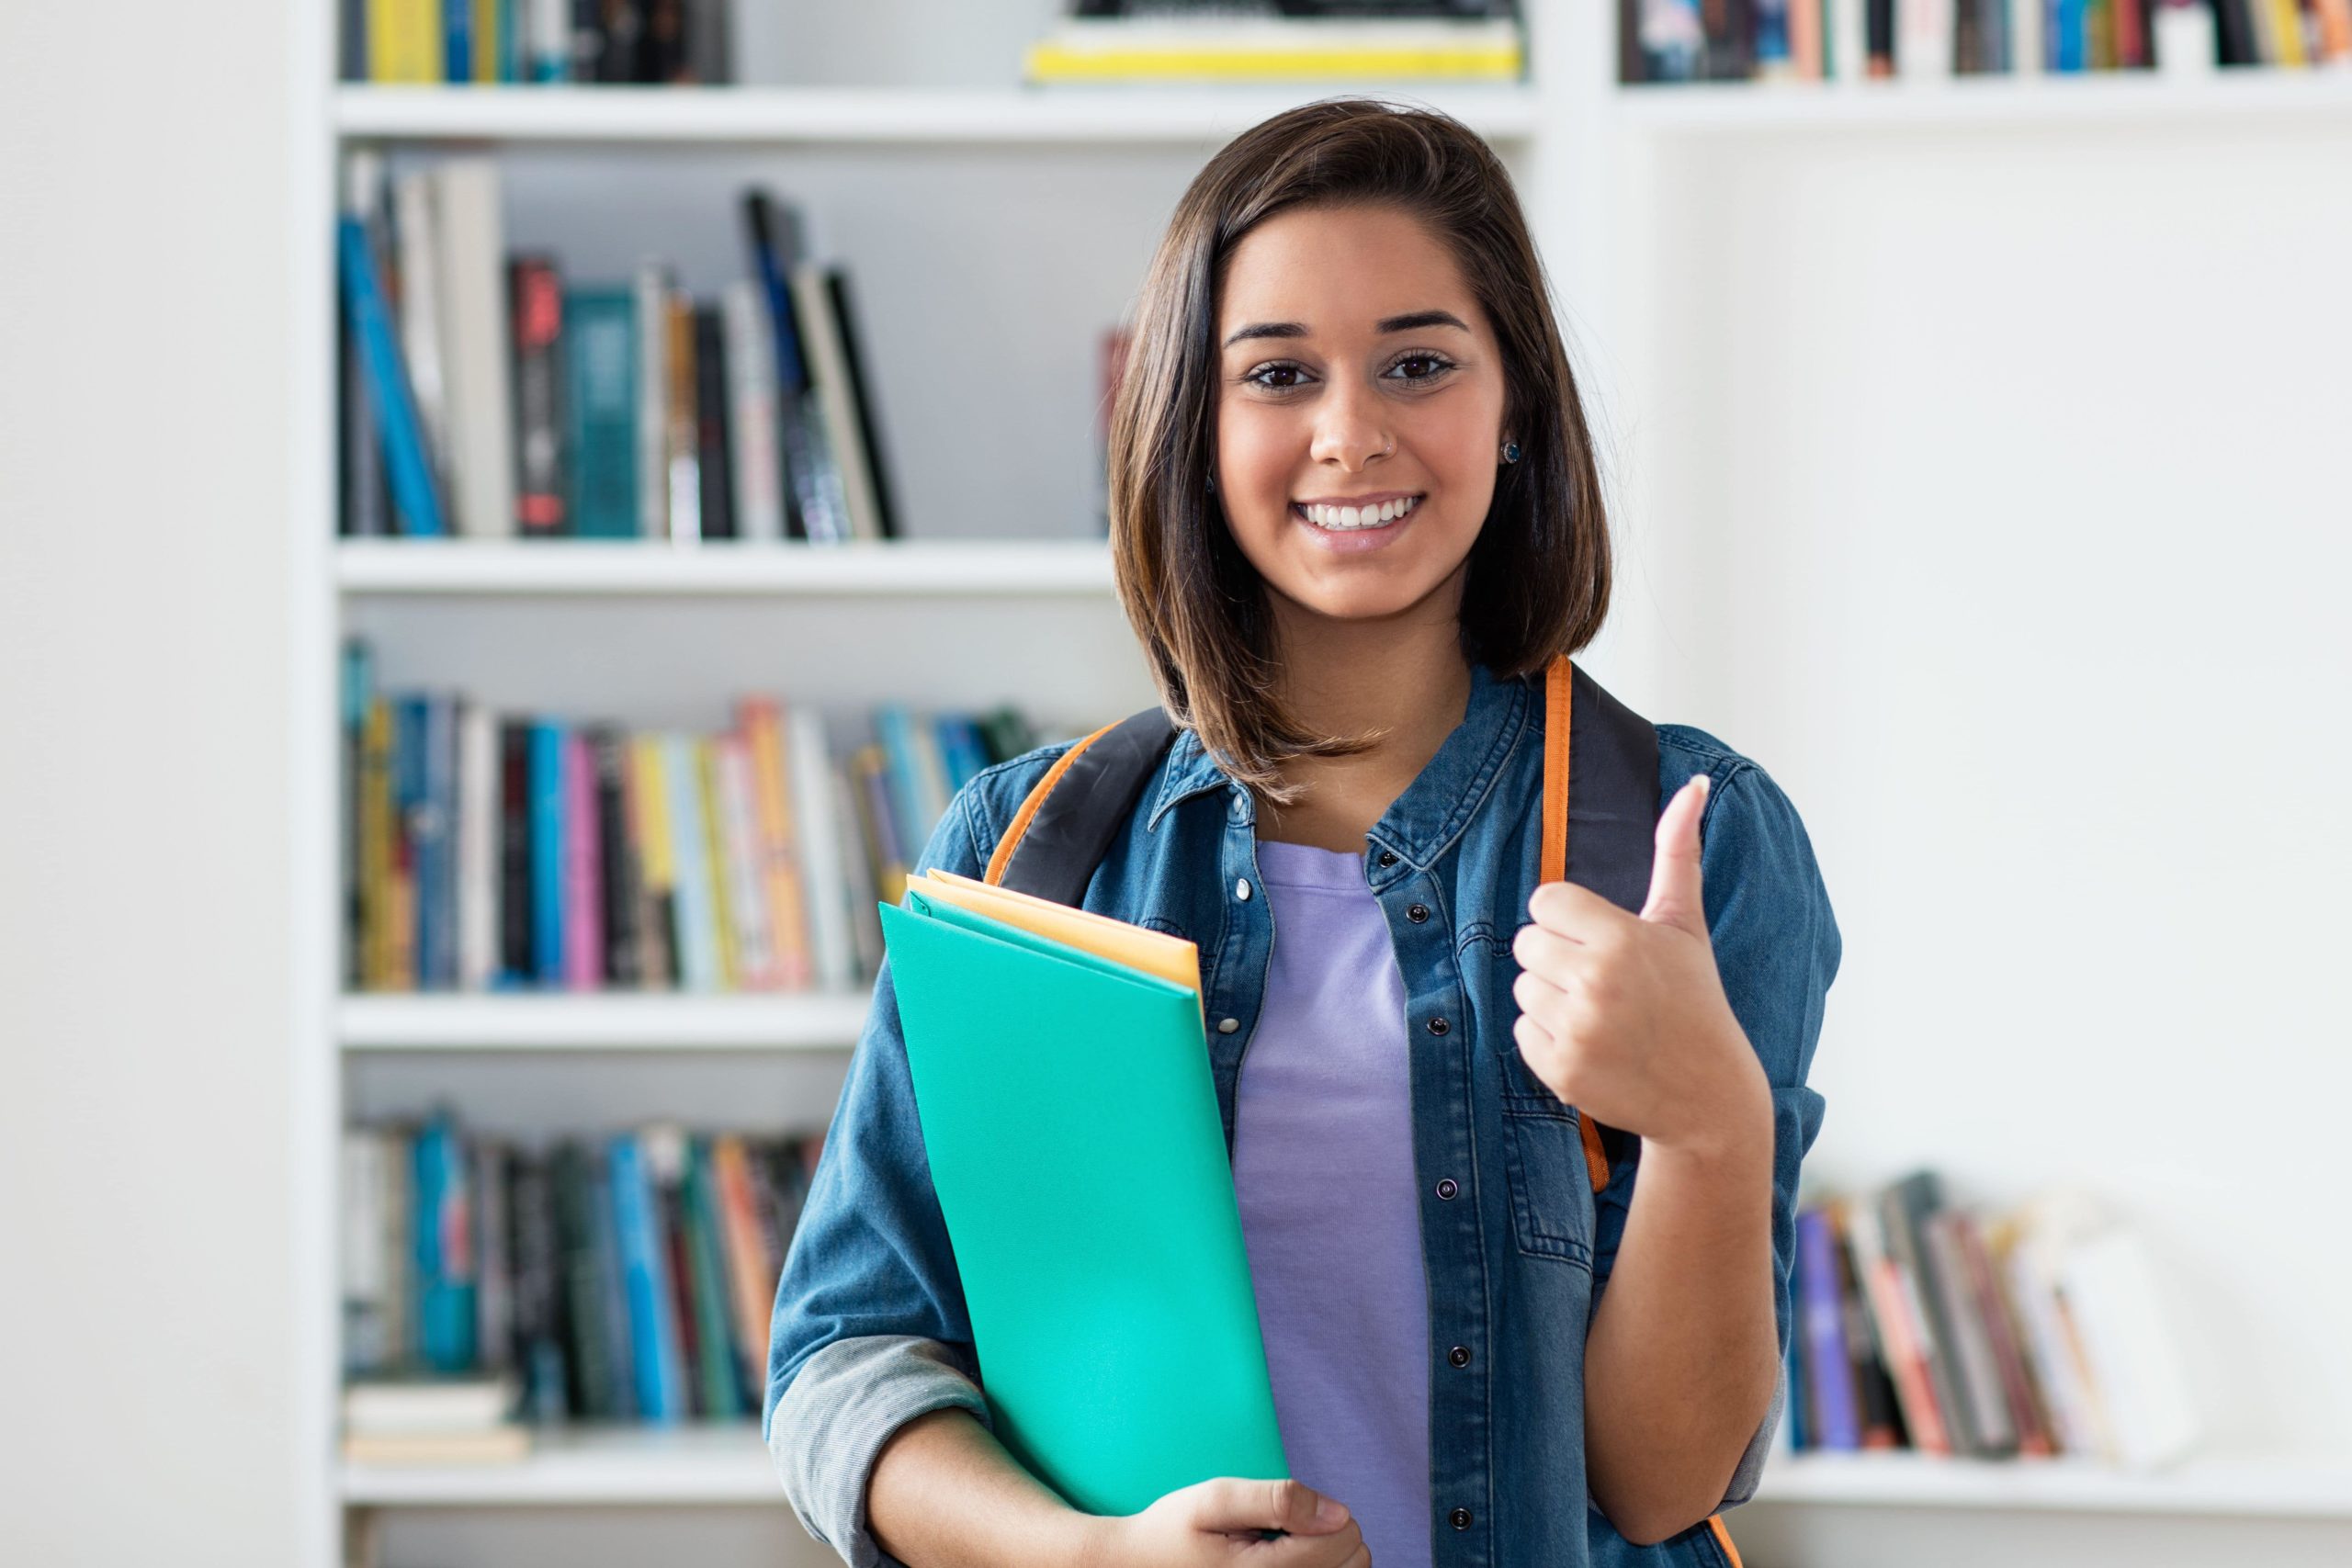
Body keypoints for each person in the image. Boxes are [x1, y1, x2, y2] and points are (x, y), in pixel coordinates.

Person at [764, 98, 1840, 1568]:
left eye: (1418, 363)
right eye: (1279, 374)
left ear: (1512, 401)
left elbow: (1662, 1484)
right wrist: (1093, 1558)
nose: (1352, 433)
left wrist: (1712, 1122)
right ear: (1192, 429)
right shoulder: (1027, 850)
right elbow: (845, 1366)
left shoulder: (1695, 847)